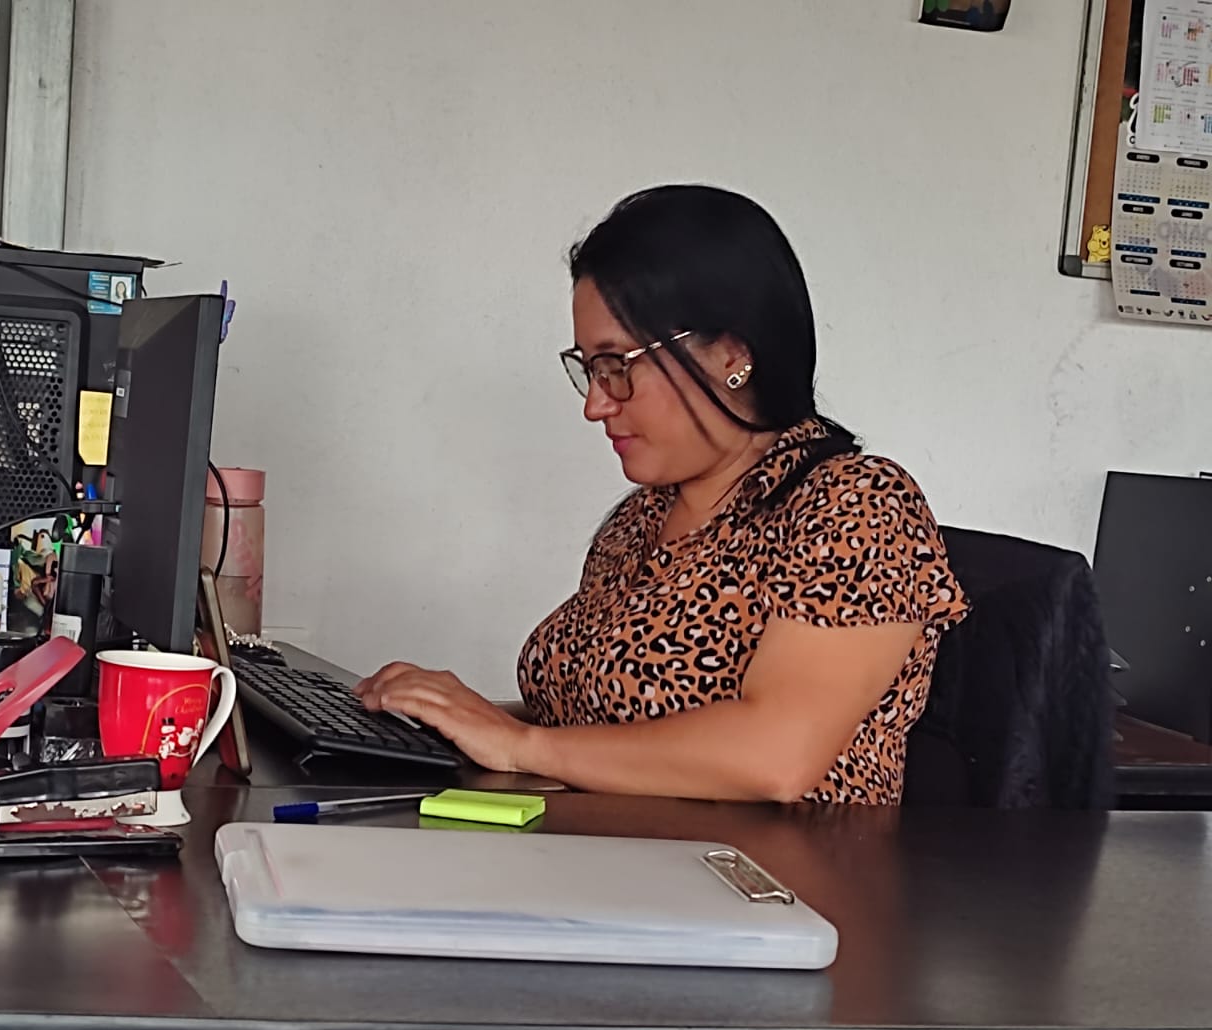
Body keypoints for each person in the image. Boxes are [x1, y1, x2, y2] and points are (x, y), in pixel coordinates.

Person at [355, 185, 968, 804]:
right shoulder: (639, 520)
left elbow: (776, 756)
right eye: (589, 370)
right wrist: (446, 723)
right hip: (602, 851)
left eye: (617, 366)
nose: (597, 405)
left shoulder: (857, 505)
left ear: (731, 356)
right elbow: (597, 725)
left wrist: (517, 745)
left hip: (764, 866)